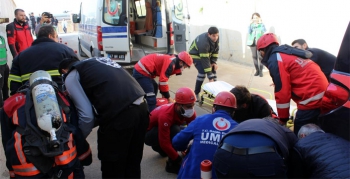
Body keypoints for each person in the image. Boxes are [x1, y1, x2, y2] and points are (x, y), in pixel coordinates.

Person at [58, 57, 149, 178]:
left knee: (112, 165)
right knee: (132, 161)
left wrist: (77, 139)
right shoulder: (98, 62)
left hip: (120, 116)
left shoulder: (72, 75)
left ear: (64, 71)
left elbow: (87, 117)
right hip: (142, 109)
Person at [0, 71, 91, 178]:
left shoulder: (10, 103)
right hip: (64, 160)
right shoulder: (62, 98)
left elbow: (6, 138)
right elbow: (75, 129)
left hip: (26, 165)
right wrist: (85, 157)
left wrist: (11, 168)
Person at [256, 33, 328, 134]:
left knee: (299, 132)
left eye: (260, 52)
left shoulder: (275, 59)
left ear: (263, 50)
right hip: (321, 93)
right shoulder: (286, 52)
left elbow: (282, 92)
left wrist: (282, 119)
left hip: (311, 97)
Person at [172, 91, 239, 179]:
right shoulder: (238, 128)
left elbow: (177, 142)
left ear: (214, 108)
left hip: (192, 175)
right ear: (233, 112)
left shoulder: (200, 120)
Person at [213, 117, 298, 178]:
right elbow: (296, 157)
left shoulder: (247, 122)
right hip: (262, 158)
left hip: (223, 154)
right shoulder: (284, 131)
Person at [9, 25, 77, 95]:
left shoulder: (20, 56)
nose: (57, 39)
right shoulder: (66, 51)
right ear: (50, 36)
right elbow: (79, 74)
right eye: (56, 36)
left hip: (31, 99)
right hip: (62, 97)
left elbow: (14, 84)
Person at [145, 87, 196, 174]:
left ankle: (161, 149)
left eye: (192, 105)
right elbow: (164, 143)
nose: (191, 109)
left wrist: (188, 148)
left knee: (181, 132)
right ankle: (171, 166)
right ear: (179, 105)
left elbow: (193, 132)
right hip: (149, 134)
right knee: (175, 130)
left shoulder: (190, 112)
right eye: (188, 106)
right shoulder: (166, 115)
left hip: (164, 130)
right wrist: (178, 159)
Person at [189, 26, 219, 100]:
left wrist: (213, 62)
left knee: (213, 69)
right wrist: (210, 77)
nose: (216, 38)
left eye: (217, 35)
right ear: (209, 34)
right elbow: (205, 61)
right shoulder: (204, 43)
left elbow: (215, 51)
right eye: (213, 36)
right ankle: (196, 93)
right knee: (202, 72)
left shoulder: (216, 38)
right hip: (196, 55)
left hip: (206, 55)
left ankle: (213, 92)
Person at [247, 12, 266, 77]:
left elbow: (264, 30)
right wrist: (250, 24)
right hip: (252, 43)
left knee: (260, 57)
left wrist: (260, 23)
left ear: (259, 18)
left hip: (260, 43)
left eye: (256, 18)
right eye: (254, 18)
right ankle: (257, 70)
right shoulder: (251, 25)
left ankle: (261, 71)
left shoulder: (261, 25)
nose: (255, 19)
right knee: (254, 57)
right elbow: (249, 32)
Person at [0, 35, 7, 107]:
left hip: (4, 65)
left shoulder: (1, 38)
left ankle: (6, 101)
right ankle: (1, 105)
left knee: (5, 84)